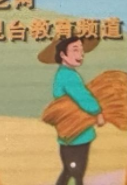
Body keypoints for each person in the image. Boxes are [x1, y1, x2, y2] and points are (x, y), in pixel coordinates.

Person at [38, 35, 102, 185]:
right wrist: (97, 112)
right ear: (62, 54)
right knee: (75, 173)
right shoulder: (68, 76)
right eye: (75, 50)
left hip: (72, 134)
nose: (80, 54)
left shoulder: (65, 73)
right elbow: (83, 97)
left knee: (70, 172)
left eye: (81, 50)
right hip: (76, 135)